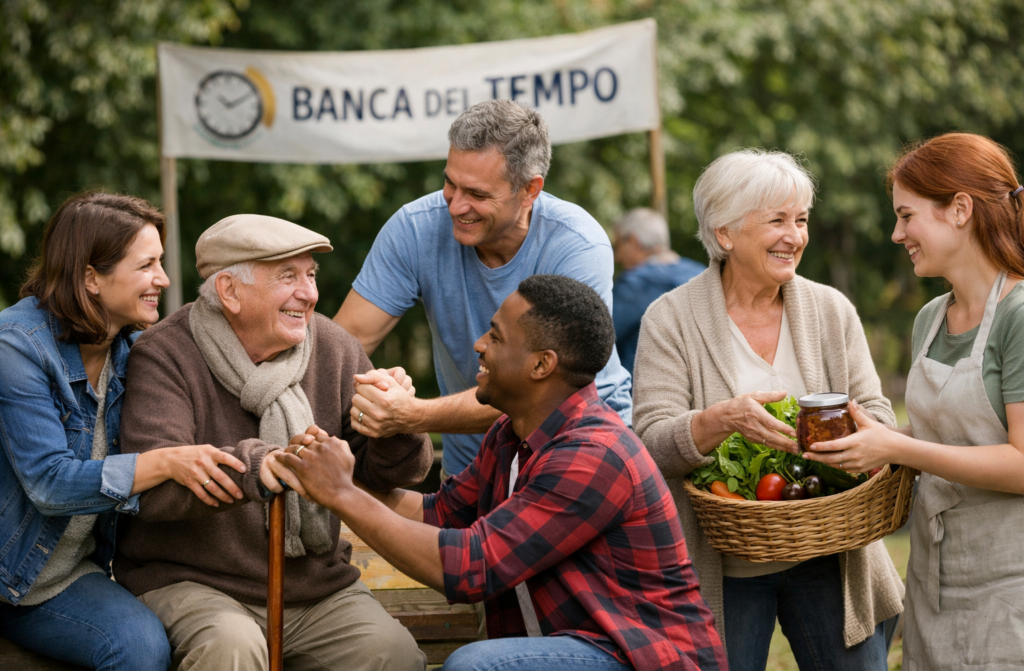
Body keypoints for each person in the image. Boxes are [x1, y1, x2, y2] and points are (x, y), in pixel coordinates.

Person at [278, 275, 728, 671]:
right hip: (577, 650)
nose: (479, 345)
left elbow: (471, 568)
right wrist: (323, 472)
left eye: (495, 337)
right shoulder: (511, 434)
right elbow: (437, 517)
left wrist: (341, 494)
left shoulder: (593, 455)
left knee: (479, 667)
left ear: (540, 364)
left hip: (636, 657)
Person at [114, 214, 433, 671]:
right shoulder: (165, 354)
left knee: (392, 655)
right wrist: (257, 467)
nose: (309, 293)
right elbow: (153, 489)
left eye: (311, 275)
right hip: (194, 582)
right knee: (231, 649)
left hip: (314, 585)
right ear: (229, 291)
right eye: (288, 277)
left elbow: (390, 473)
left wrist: (395, 422)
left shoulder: (334, 346)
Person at [632, 149, 905, 671]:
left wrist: (848, 440)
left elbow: (878, 413)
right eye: (777, 220)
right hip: (724, 569)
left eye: (800, 219)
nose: (795, 235)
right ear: (725, 233)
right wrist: (719, 420)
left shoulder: (830, 310)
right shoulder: (670, 319)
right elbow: (649, 442)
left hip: (830, 553)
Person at [0, 192, 251, 670]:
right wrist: (165, 461)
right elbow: (49, 484)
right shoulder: (17, 348)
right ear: (90, 278)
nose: (164, 279)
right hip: (5, 574)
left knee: (139, 647)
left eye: (160, 262)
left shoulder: (135, 350)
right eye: (146, 266)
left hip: (64, 578)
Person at [802, 132, 1024, 670]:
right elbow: (948, 441)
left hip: (1008, 582)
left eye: (907, 215)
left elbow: (1021, 464)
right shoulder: (929, 320)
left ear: (961, 210)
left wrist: (898, 448)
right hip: (934, 575)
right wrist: (875, 441)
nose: (897, 234)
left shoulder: (1018, 316)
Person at [333, 99, 632, 480]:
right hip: (471, 470)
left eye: (477, 194)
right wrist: (366, 397)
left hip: (576, 457)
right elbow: (343, 346)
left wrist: (412, 414)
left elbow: (545, 394)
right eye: (449, 183)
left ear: (529, 190)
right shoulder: (414, 228)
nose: (456, 206)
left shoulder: (576, 245)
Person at [611, 207, 704, 374]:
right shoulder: (703, 275)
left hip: (643, 393)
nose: (617, 257)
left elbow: (600, 340)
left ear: (632, 241)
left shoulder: (635, 284)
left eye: (617, 246)